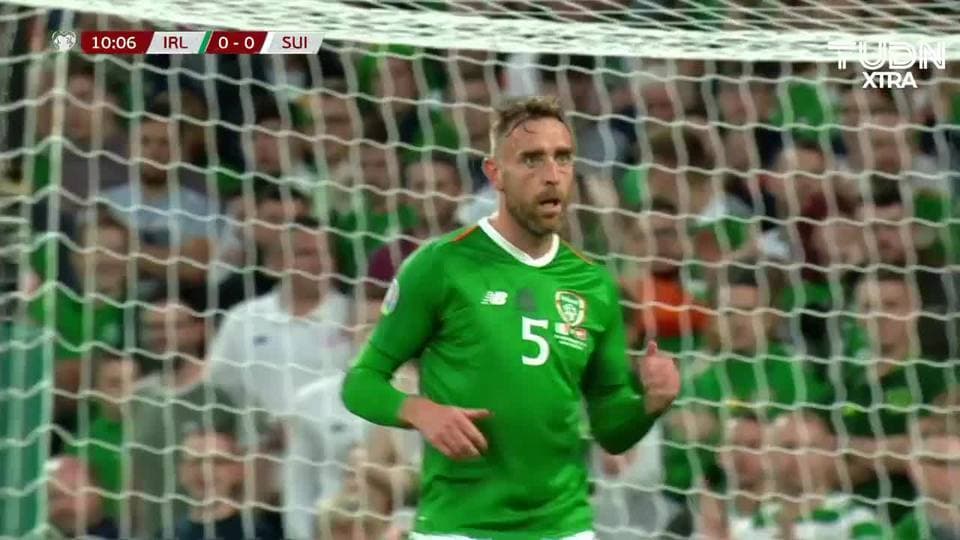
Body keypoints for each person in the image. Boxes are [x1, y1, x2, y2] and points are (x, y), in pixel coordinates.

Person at [341, 96, 680, 538]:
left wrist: (650, 404)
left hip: (564, 527)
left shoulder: (594, 285)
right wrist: (420, 411)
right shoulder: (440, 265)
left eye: (563, 158)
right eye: (532, 159)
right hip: (458, 527)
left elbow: (612, 431)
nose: (551, 175)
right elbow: (360, 382)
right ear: (495, 173)